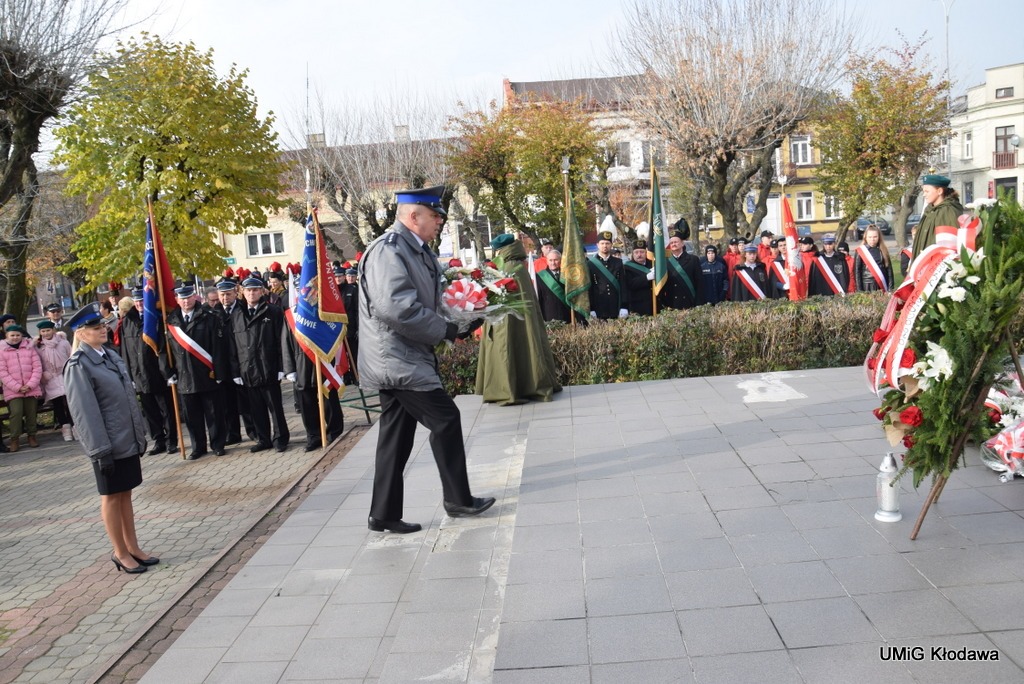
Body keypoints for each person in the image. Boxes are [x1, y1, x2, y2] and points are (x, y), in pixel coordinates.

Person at [359, 185, 495, 533]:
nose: (440, 222)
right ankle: (458, 500)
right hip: (397, 358)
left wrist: (463, 315)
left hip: (404, 355)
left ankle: (384, 514)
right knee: (446, 419)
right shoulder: (389, 250)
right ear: (413, 215)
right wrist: (445, 330)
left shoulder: (414, 250)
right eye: (434, 215)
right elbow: (396, 308)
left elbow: (427, 299)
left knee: (396, 436)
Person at [63, 303, 155, 575]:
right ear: (81, 334)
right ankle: (120, 552)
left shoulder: (109, 356)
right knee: (112, 497)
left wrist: (138, 435)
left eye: (102, 325)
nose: (102, 329)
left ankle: (133, 547)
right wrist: (100, 450)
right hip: (106, 445)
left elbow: (127, 400)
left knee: (125, 494)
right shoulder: (78, 365)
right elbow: (85, 413)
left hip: (124, 439)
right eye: (95, 327)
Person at [475, 233, 561, 406]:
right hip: (515, 318)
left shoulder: (508, 269)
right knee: (525, 348)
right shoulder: (516, 267)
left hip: (505, 321)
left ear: (502, 250)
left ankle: (508, 389)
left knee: (508, 350)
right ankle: (524, 385)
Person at [166, 284, 230, 459]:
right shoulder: (171, 321)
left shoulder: (208, 317)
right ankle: (198, 447)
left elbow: (218, 348)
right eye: (182, 298)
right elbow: (166, 351)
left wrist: (219, 372)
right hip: (184, 376)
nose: (186, 301)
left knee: (214, 413)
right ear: (177, 300)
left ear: (195, 297)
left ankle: (218, 444)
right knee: (192, 416)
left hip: (207, 374)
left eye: (188, 297)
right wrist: (168, 372)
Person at [227, 277, 289, 453]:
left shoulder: (273, 311)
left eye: (255, 290)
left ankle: (280, 439)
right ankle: (263, 439)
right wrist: (236, 371)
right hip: (248, 369)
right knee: (256, 410)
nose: (251, 293)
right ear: (242, 292)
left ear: (262, 291)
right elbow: (233, 345)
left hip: (269, 367)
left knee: (275, 408)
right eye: (248, 290)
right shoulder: (237, 314)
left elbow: (281, 341)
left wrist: (281, 367)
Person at [119, 288, 179, 455]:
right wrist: (129, 375)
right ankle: (158, 440)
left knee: (166, 409)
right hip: (138, 374)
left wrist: (167, 371)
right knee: (150, 411)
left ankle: (171, 441)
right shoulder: (127, 321)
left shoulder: (156, 318)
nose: (139, 303)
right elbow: (125, 351)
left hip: (157, 372)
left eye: (142, 300)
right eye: (137, 300)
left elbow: (164, 347)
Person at [281, 321, 345, 452]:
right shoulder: (291, 315)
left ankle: (334, 432)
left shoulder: (323, 312)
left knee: (329, 401)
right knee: (307, 405)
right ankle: (314, 436)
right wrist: (289, 369)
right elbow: (286, 342)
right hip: (301, 364)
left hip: (324, 363)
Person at [214, 279, 254, 444]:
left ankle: (253, 431)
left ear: (236, 293)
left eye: (228, 294)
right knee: (227, 403)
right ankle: (233, 434)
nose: (225, 298)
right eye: (222, 295)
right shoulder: (214, 313)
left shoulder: (243, 309)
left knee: (247, 402)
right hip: (224, 364)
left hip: (242, 362)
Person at [0, 324, 42, 451]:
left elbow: (37, 368)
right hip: (13, 390)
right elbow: (2, 372)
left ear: (22, 335)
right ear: (7, 336)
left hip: (31, 388)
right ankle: (15, 439)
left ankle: (32, 436)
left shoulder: (29, 348)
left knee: (31, 412)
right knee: (16, 413)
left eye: (18, 335)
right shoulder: (2, 351)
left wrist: (30, 385)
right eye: (12, 335)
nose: (15, 337)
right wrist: (17, 387)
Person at [35, 320, 75, 442]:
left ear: (53, 330)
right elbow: (38, 362)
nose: (46, 333)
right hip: (50, 378)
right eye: (43, 331)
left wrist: (70, 370)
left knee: (70, 402)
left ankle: (75, 425)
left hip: (65, 375)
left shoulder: (63, 343)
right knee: (57, 404)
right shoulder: (39, 346)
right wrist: (43, 374)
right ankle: (65, 427)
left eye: (48, 330)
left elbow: (71, 356)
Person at [912, 174, 965, 257]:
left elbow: (950, 244)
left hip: (938, 261)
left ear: (939, 191)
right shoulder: (929, 211)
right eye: (923, 191)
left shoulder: (948, 211)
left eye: (927, 191)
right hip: (924, 260)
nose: (924, 195)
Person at [587, 230, 626, 320]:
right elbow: (590, 288)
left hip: (615, 305)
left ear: (611, 245)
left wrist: (624, 306)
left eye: (607, 243)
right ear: (597, 245)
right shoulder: (591, 264)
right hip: (599, 306)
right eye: (602, 243)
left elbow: (623, 285)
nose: (605, 246)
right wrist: (591, 308)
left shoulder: (618, 262)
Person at [659, 231, 703, 310]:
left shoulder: (693, 260)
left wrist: (698, 303)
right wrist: (664, 303)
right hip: (672, 303)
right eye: (671, 243)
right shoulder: (665, 262)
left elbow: (700, 282)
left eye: (676, 242)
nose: (673, 244)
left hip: (690, 301)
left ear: (682, 243)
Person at [535, 250, 573, 323]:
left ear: (560, 260)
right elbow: (539, 299)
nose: (553, 263)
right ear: (547, 261)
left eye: (556, 260)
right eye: (550, 260)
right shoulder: (540, 276)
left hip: (567, 315)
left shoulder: (567, 275)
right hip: (549, 316)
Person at [854, 225, 894, 292]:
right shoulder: (861, 251)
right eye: (870, 237)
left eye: (875, 237)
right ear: (865, 237)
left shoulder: (883, 250)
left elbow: (889, 270)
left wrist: (890, 288)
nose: (872, 239)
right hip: (867, 285)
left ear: (879, 237)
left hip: (882, 284)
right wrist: (860, 290)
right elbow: (857, 272)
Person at [622, 240, 654, 315]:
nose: (639, 255)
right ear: (632, 254)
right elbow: (630, 284)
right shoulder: (627, 267)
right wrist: (646, 277)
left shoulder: (653, 264)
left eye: (642, 252)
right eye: (636, 252)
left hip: (654, 304)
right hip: (637, 305)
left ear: (646, 253)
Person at [340, 268, 360, 383]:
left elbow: (357, 310)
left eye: (340, 276)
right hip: (337, 328)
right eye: (336, 277)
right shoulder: (334, 290)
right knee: (341, 354)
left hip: (351, 327)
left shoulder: (352, 290)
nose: (338, 279)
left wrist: (358, 327)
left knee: (353, 353)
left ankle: (355, 375)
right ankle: (345, 376)